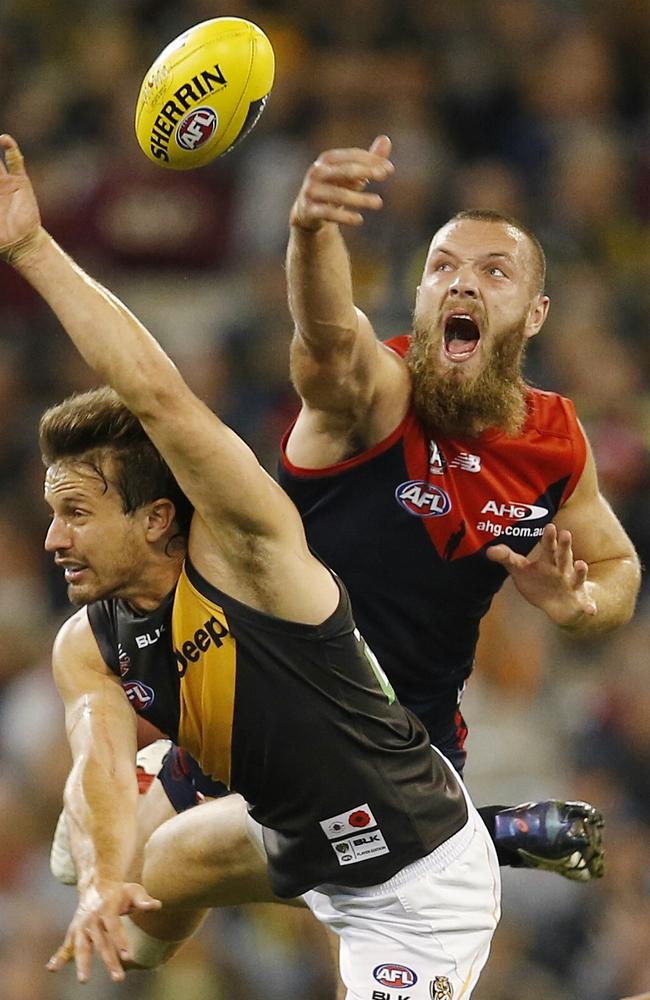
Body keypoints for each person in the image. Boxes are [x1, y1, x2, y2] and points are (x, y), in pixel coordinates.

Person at [0, 133, 500, 998]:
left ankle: (497, 832)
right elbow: (94, 760)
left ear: (159, 518)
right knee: (136, 908)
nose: (54, 540)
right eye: (52, 515)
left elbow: (157, 394)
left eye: (77, 512)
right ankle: (164, 812)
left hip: (412, 876)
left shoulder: (249, 554)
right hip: (286, 835)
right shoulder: (88, 642)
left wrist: (33, 251)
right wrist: (108, 875)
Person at [277, 134, 641, 875]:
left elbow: (617, 568)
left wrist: (581, 606)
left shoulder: (554, 441)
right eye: (441, 268)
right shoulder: (378, 394)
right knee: (153, 892)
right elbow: (325, 339)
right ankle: (474, 835)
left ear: (535, 315)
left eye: (493, 271)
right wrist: (311, 232)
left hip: (415, 741)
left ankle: (454, 833)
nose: (462, 284)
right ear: (418, 300)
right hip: (276, 703)